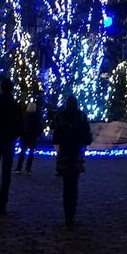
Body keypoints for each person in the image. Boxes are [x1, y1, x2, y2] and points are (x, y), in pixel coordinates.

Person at [53, 94, 92, 227]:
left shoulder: (60, 116)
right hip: (76, 154)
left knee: (66, 186)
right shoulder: (81, 117)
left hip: (64, 153)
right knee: (73, 186)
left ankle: (67, 214)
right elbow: (88, 137)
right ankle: (72, 213)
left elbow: (56, 138)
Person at [0, 77, 23, 214]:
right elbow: (20, 124)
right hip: (9, 141)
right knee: (6, 173)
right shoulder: (14, 105)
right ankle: (2, 203)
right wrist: (14, 136)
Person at [16, 92, 43, 174]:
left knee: (22, 153)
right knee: (31, 154)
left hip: (24, 137)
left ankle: (19, 168)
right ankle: (28, 169)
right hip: (33, 138)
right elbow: (39, 128)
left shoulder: (24, 117)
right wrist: (38, 135)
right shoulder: (37, 118)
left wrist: (20, 134)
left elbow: (20, 126)